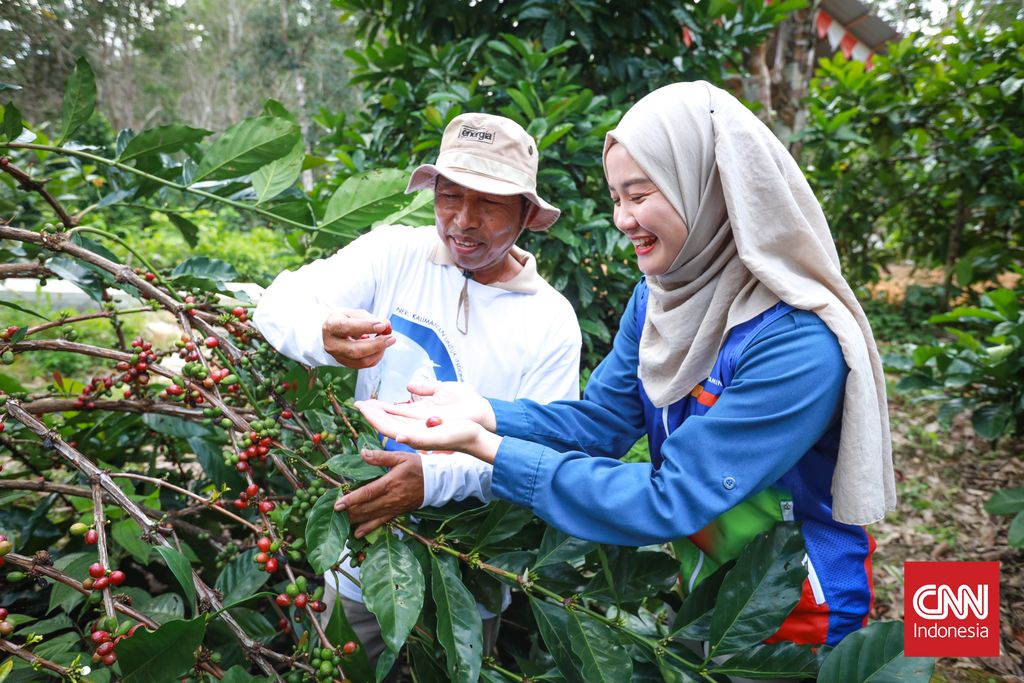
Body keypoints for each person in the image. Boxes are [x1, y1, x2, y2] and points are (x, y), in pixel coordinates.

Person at [353, 81, 897, 653]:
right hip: (705, 582)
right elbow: (601, 423)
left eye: (639, 195)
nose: (621, 218)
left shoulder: (795, 343)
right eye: (615, 197)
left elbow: (672, 497)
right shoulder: (662, 298)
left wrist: (489, 449)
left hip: (795, 609)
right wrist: (485, 411)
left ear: (708, 187)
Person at [253, 113, 582, 665]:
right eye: (449, 197)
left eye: (489, 205)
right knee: (339, 667)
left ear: (526, 213)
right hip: (360, 561)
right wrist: (321, 333)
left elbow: (542, 453)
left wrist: (434, 479)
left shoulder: (549, 321)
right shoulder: (395, 254)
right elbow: (279, 302)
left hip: (466, 577)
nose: (462, 221)